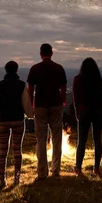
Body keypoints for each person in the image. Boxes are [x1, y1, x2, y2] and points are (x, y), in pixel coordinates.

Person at [27, 43, 67, 180]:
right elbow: (63, 87)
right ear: (52, 53)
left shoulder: (35, 69)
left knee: (41, 139)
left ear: (40, 54)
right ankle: (55, 170)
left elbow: (30, 89)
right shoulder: (59, 68)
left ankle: (42, 172)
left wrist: (31, 105)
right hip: (56, 105)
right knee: (57, 138)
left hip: (40, 106)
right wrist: (62, 101)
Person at [0, 60, 34, 188]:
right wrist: (30, 115)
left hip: (3, 120)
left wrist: (0, 112)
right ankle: (17, 178)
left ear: (5, 70)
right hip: (18, 120)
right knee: (17, 150)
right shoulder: (21, 85)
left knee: (3, 150)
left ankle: (2, 179)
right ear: (16, 70)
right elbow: (26, 104)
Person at [73, 57, 102, 176]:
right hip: (97, 112)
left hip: (84, 112)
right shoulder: (98, 80)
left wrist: (77, 112)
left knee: (81, 141)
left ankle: (78, 168)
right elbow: (101, 98)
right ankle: (96, 168)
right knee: (97, 140)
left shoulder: (77, 79)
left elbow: (76, 99)